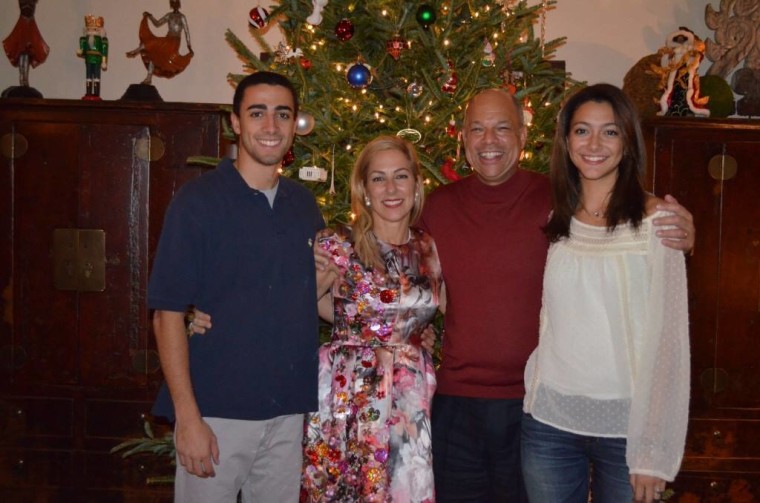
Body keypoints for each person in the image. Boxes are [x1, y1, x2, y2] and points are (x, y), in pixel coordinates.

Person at [417, 88, 696, 502]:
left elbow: (664, 327)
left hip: (540, 407)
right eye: (477, 129)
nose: (489, 141)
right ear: (462, 137)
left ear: (525, 136)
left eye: (502, 128)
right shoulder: (439, 207)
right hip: (487, 406)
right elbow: (404, 276)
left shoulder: (559, 202)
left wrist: (685, 237)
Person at [148, 71, 325, 502]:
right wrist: (187, 418)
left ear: (294, 124)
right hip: (215, 413)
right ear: (236, 122)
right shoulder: (198, 202)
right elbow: (167, 313)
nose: (270, 127)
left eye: (282, 114)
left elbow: (314, 301)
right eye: (257, 113)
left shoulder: (303, 205)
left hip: (288, 412)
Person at [521, 83, 690, 503]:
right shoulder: (556, 217)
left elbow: (670, 342)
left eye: (610, 132)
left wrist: (653, 451)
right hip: (549, 423)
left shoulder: (659, 222)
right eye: (582, 131)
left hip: (627, 429)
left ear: (627, 140)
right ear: (566, 140)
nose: (594, 144)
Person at [301, 136, 443, 502]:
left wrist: (414, 336)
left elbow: (436, 310)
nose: (391, 188)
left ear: (415, 184)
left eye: (401, 176)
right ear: (364, 189)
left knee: (404, 489)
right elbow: (302, 303)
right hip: (351, 392)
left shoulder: (428, 247)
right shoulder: (338, 242)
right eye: (379, 179)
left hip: (410, 395)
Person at [126, 0, 193, 85]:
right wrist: (150, 16)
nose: (174, 4)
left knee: (155, 45)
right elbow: (157, 24)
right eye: (173, 3)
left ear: (178, 4)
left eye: (176, 3)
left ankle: (137, 51)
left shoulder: (182, 17)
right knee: (153, 51)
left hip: (174, 41)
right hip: (168, 38)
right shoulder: (169, 15)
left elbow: (186, 31)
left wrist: (189, 46)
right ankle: (148, 77)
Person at [2, 0, 48, 89]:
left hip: (28, 27)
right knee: (22, 56)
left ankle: (24, 80)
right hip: (23, 28)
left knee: (25, 57)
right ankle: (23, 80)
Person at [77, 14, 108, 100]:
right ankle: (89, 92)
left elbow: (104, 51)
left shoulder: (102, 41)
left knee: (97, 77)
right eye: (90, 29)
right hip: (89, 60)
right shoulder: (84, 39)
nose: (92, 31)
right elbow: (83, 52)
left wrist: (104, 61)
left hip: (97, 60)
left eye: (94, 29)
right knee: (89, 77)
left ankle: (96, 93)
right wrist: (81, 51)